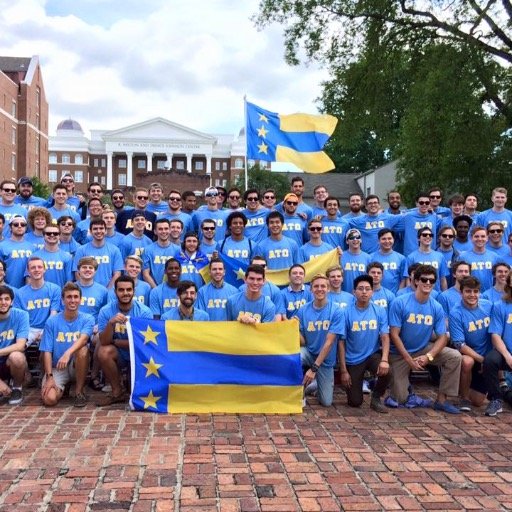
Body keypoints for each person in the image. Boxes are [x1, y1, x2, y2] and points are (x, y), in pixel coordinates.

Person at [388, 264, 462, 413]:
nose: (428, 283)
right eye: (424, 279)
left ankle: (441, 400)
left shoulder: (436, 307)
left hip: (423, 348)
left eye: (432, 280)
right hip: (399, 354)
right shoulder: (400, 302)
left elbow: (442, 337)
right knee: (400, 399)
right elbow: (394, 334)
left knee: (455, 356)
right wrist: (409, 360)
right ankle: (401, 387)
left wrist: (429, 356)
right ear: (416, 281)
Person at [96, 276, 152, 406]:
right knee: (103, 352)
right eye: (121, 290)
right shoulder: (106, 311)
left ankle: (130, 383)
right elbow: (104, 342)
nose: (125, 293)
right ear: (115, 292)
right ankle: (117, 392)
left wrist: (116, 342)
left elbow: (144, 344)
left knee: (134, 390)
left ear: (134, 291)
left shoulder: (144, 312)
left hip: (138, 355)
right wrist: (111, 323)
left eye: (129, 289)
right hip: (119, 353)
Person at [338, 274, 391, 413]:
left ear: (372, 292)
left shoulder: (379, 310)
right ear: (354, 292)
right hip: (353, 359)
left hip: (372, 354)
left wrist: (384, 359)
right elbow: (341, 342)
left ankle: (376, 398)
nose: (364, 292)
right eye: (360, 289)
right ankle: (357, 384)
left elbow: (385, 336)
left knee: (387, 371)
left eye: (367, 289)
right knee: (355, 402)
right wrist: (343, 371)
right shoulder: (345, 313)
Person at [40, 282, 94, 408]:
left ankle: (79, 391)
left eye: (76, 297)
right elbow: (47, 351)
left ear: (81, 300)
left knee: (83, 350)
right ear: (63, 300)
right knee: (50, 400)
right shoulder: (52, 321)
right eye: (69, 297)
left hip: (76, 365)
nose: (73, 300)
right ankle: (64, 385)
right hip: (57, 366)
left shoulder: (88, 318)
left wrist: (67, 353)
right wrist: (49, 377)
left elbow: (84, 339)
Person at [294, 274, 344, 407]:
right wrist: (293, 328)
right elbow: (303, 341)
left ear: (328, 289)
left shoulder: (336, 311)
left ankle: (315, 383)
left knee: (326, 402)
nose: (319, 289)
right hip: (309, 352)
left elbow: (329, 343)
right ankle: (300, 392)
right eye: (316, 286)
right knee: (294, 357)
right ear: (311, 289)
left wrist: (314, 369)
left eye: (323, 286)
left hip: (325, 359)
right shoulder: (303, 310)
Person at [449, 276, 492, 412]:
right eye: (468, 291)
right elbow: (460, 344)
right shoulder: (456, 313)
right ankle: (464, 397)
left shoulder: (488, 306)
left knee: (478, 402)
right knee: (467, 362)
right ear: (461, 293)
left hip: (487, 355)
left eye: (475, 291)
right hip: (470, 354)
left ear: (479, 292)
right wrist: (481, 360)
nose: (472, 295)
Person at [14, 256, 60, 348]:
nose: (36, 270)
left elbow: (54, 313)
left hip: (48, 326)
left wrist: (45, 330)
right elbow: (19, 318)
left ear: (44, 269)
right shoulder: (19, 293)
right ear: (28, 271)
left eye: (39, 267)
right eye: (33, 267)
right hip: (28, 329)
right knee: (16, 354)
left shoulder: (55, 289)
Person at [484, 272, 512, 416]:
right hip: (507, 351)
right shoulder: (500, 305)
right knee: (490, 360)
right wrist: (507, 356)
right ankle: (496, 399)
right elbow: (495, 335)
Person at [73, 219, 124, 288]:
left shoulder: (114, 250)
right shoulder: (81, 250)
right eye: (95, 229)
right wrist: (85, 288)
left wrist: (107, 291)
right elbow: (77, 273)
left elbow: (117, 273)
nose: (98, 231)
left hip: (108, 290)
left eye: (101, 228)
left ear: (105, 231)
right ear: (90, 232)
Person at [0, 285, 29, 405]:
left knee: (17, 356)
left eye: (6, 299)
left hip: (8, 361)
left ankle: (17, 388)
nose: (3, 302)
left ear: (12, 301)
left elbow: (20, 345)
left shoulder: (21, 315)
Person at [405, 226, 448, 292]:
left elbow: (443, 279)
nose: (428, 236)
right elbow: (408, 279)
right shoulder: (411, 257)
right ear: (418, 238)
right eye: (424, 235)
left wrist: (444, 294)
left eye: (430, 235)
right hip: (417, 294)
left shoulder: (440, 256)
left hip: (435, 294)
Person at [459, 225, 498, 292]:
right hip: (470, 293)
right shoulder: (463, 257)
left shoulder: (494, 256)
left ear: (487, 238)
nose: (480, 239)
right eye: (476, 236)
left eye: (483, 236)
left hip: (489, 294)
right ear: (471, 238)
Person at [0, 215, 34, 289]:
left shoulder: (32, 247)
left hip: (27, 289)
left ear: (26, 227)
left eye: (23, 224)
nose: (19, 226)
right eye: (16, 224)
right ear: (10, 227)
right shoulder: (2, 246)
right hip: (7, 290)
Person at [142, 218, 177, 288]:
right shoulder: (148, 250)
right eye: (160, 229)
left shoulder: (178, 250)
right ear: (155, 231)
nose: (164, 231)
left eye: (166, 228)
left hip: (173, 288)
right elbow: (145, 274)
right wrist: (157, 290)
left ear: (170, 230)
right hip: (153, 289)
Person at [370, 228, 406, 294]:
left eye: (389, 238)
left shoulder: (401, 258)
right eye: (384, 239)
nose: (387, 241)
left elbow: (403, 280)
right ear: (378, 241)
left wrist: (399, 294)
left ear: (393, 240)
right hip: (374, 296)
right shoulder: (370, 258)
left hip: (394, 297)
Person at [341, 229, 371, 294]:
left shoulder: (368, 258)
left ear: (361, 240)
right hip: (344, 295)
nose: (355, 239)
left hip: (362, 295)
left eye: (358, 237)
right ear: (347, 241)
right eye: (351, 237)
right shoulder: (340, 256)